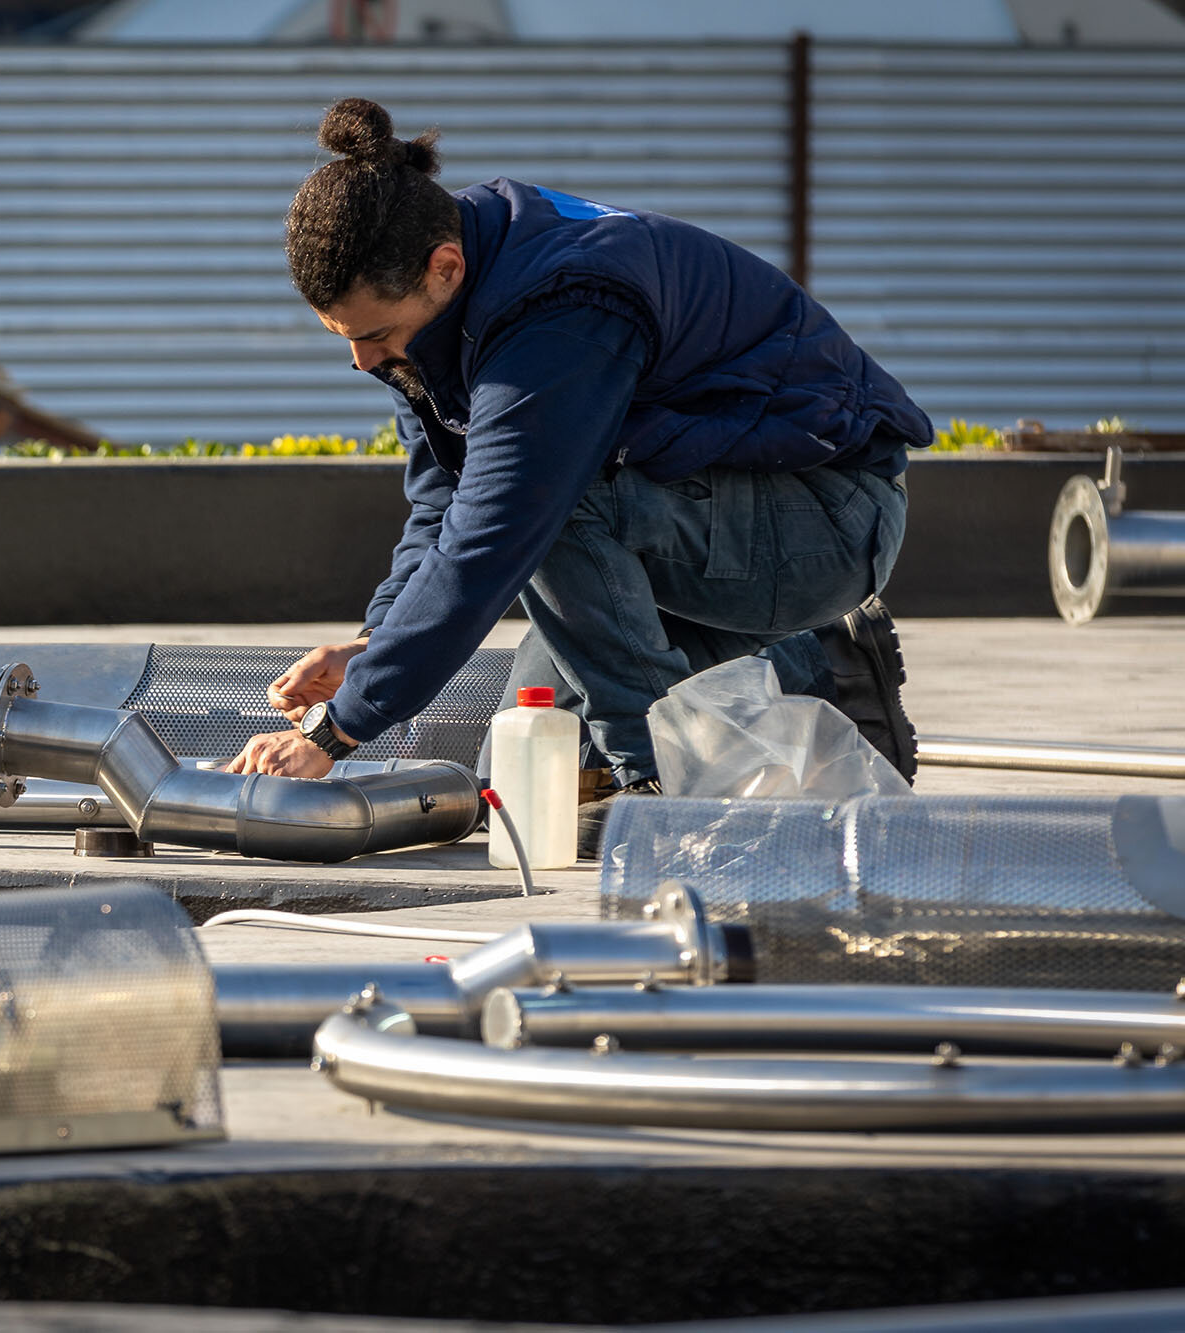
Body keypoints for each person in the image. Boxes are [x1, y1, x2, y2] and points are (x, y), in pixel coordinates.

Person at [224, 97, 930, 857]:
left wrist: (341, 728)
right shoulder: (438, 292)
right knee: (519, 787)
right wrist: (373, 643)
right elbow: (443, 501)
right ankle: (820, 671)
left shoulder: (559, 308)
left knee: (556, 503)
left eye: (372, 336)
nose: (361, 361)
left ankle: (661, 787)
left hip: (825, 520)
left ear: (444, 269)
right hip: (693, 507)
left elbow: (491, 536)